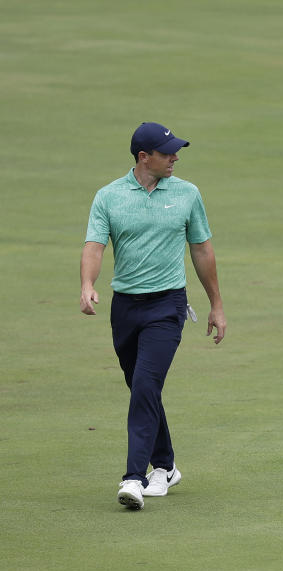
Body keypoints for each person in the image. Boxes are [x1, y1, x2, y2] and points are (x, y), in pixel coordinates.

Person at [80, 122, 227, 509]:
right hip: (125, 308)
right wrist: (87, 284)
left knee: (145, 385)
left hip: (168, 306)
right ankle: (166, 465)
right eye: (167, 153)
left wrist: (216, 304)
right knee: (142, 388)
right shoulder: (109, 196)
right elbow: (95, 245)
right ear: (144, 157)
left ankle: (134, 476)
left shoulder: (187, 194)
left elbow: (202, 251)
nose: (175, 157)